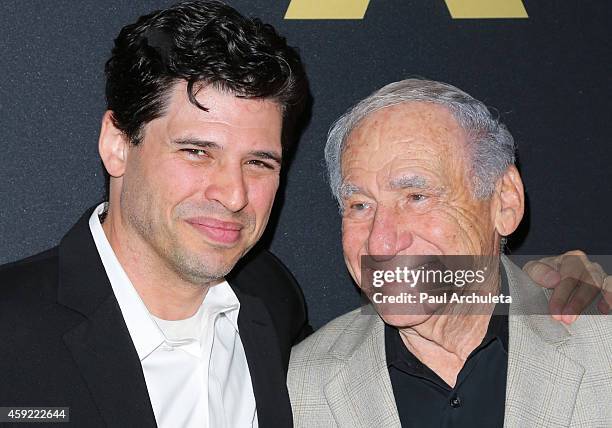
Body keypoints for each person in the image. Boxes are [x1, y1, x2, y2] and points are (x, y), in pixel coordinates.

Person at [0, 1, 310, 427]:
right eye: (197, 152)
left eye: (258, 163)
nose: (234, 195)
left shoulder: (273, 299)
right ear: (118, 145)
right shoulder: (9, 330)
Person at [288, 78, 611, 427]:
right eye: (361, 205)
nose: (380, 243)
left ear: (504, 201)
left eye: (416, 197)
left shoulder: (601, 348)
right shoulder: (301, 385)